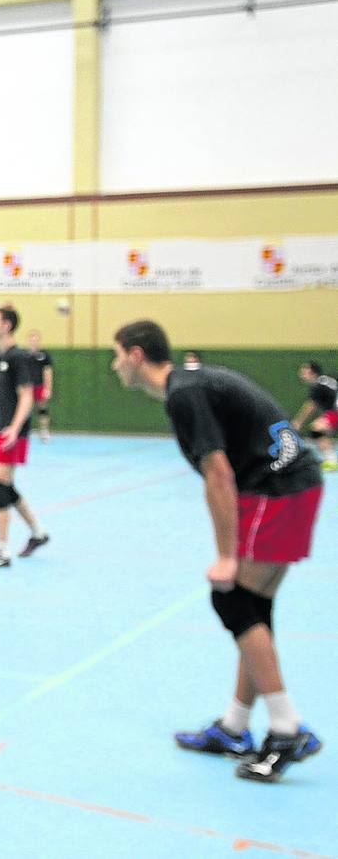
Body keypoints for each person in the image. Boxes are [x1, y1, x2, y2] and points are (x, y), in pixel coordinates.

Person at [112, 320, 323, 783]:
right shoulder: (190, 385)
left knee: (233, 600)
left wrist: (226, 555)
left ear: (136, 355)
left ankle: (287, 730)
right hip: (293, 482)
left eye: (117, 355)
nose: (115, 366)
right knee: (254, 608)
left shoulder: (183, 394)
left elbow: (219, 474)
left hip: (278, 487)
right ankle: (236, 727)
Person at [0, 306, 49, 567]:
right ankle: (38, 533)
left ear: (6, 325)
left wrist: (15, 427)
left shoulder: (19, 357)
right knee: (5, 486)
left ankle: (1, 550)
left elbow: (27, 396)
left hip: (12, 430)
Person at [292, 361, 337, 471]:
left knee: (316, 430)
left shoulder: (317, 385)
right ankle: (331, 460)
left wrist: (298, 422)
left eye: (304, 369)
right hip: (333, 411)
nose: (302, 372)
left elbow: (310, 406)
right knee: (321, 429)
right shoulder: (326, 380)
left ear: (312, 372)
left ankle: (331, 461)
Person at [26, 330, 54, 442]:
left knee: (43, 409)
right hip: (28, 387)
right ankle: (24, 431)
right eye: (32, 339)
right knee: (25, 409)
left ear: (39, 341)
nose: (34, 342)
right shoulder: (25, 355)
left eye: (36, 339)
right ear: (29, 341)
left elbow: (48, 372)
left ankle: (44, 432)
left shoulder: (44, 355)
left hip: (40, 385)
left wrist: (48, 388)